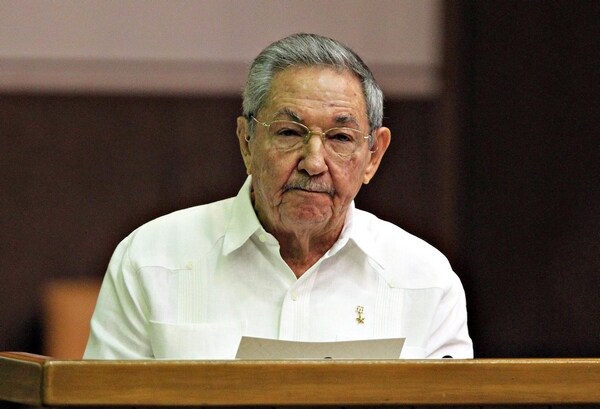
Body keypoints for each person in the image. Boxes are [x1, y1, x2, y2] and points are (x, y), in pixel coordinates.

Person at [83, 33, 473, 359]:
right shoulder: (150, 259)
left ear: (373, 155)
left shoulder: (425, 280)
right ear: (246, 142)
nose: (314, 162)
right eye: (289, 132)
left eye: (340, 138)